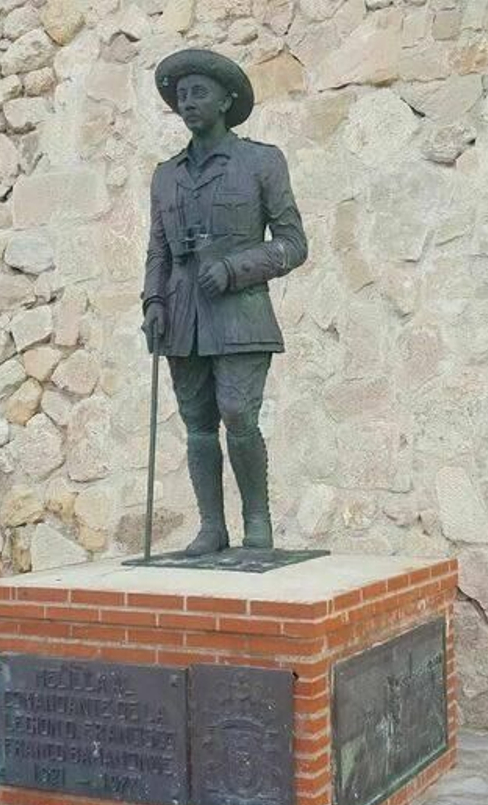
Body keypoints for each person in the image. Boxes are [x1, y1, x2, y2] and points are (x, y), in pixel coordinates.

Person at [141, 48, 309, 555]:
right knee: (197, 426)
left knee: (238, 414)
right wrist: (152, 300)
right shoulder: (165, 175)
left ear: (225, 100)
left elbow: (293, 244)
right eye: (181, 95)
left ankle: (257, 521)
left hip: (241, 316)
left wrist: (235, 268)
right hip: (182, 319)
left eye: (199, 93)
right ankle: (212, 527)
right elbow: (158, 248)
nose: (188, 103)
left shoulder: (261, 161)